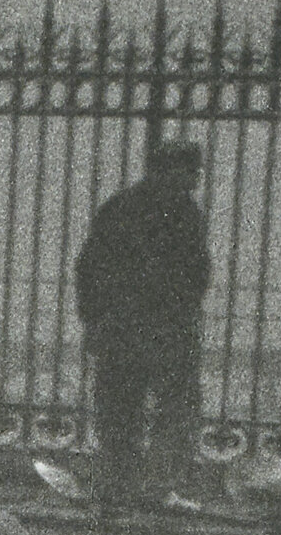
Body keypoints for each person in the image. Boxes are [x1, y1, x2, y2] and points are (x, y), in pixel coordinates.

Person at [72, 142, 211, 512]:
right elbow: (198, 274)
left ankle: (120, 486)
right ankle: (156, 488)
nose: (195, 180)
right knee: (176, 408)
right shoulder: (185, 215)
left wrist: (94, 319)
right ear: (171, 172)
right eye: (191, 172)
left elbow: (88, 269)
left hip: (121, 328)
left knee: (120, 410)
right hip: (166, 328)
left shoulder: (118, 208)